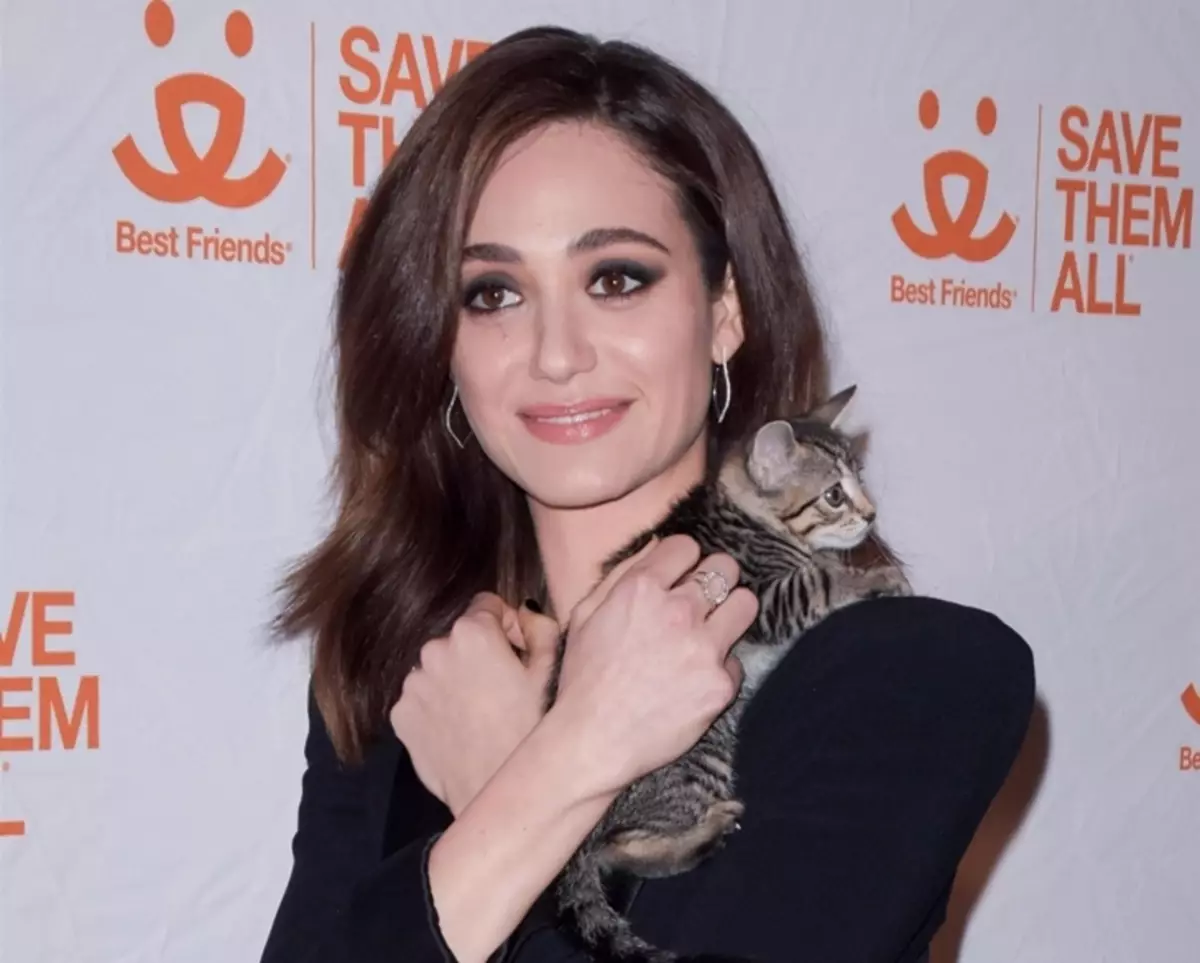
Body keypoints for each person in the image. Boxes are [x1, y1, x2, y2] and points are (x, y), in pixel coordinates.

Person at [258, 24, 1035, 963]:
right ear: (441, 342)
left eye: (616, 278)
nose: (556, 352)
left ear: (724, 312)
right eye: (493, 293)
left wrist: (520, 776)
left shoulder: (905, 676)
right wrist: (558, 760)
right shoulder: (412, 673)